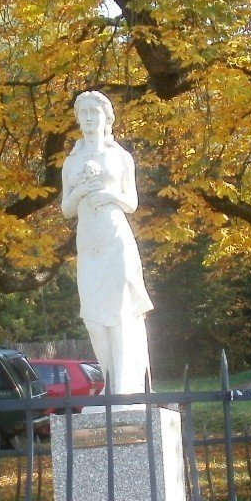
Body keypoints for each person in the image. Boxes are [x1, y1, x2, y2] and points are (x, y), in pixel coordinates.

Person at [60, 90, 153, 396]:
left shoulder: (120, 156)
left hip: (115, 237)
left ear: (106, 117)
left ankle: (125, 387)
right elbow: (66, 209)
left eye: (94, 112)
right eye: (83, 112)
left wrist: (109, 195)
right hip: (88, 242)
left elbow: (132, 202)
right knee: (93, 317)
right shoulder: (72, 161)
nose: (88, 117)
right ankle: (109, 379)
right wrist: (81, 191)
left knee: (121, 312)